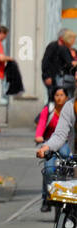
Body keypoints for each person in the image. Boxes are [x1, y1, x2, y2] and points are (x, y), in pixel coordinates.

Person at [37, 81, 72, 211]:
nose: (59, 97)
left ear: (67, 97)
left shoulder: (71, 108)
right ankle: (47, 196)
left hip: (67, 143)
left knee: (66, 155)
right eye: (57, 95)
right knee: (49, 168)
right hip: (50, 142)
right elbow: (41, 124)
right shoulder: (49, 109)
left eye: (62, 95)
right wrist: (39, 137)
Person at [42, 29, 77, 101]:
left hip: (58, 77)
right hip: (56, 77)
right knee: (55, 98)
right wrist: (47, 76)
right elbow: (45, 62)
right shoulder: (55, 47)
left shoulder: (66, 48)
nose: (74, 41)